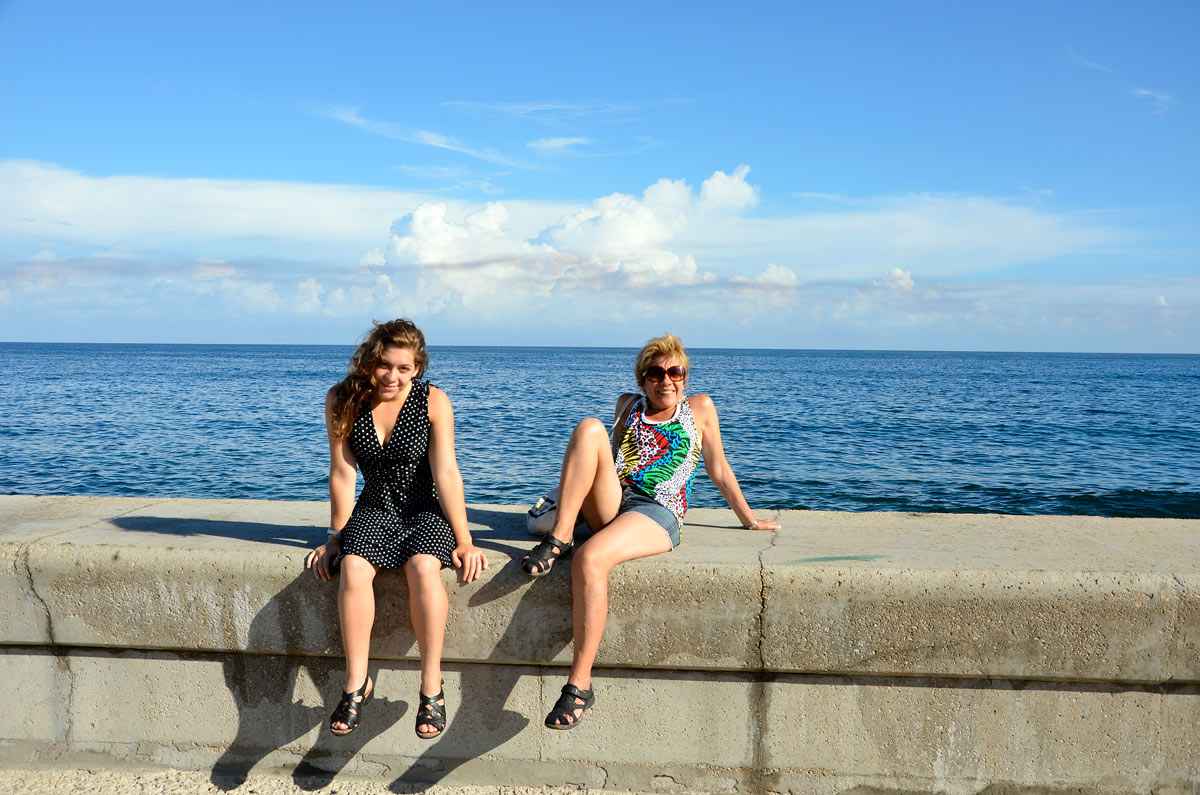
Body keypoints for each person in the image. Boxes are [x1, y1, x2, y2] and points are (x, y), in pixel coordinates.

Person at [521, 333, 781, 729]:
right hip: (614, 500)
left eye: (675, 372)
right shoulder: (627, 405)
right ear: (643, 380)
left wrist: (750, 520)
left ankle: (579, 684)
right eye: (656, 373)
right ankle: (559, 536)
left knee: (591, 560)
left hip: (658, 511)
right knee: (589, 427)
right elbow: (600, 463)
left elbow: (719, 470)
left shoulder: (700, 409)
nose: (666, 380)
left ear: (685, 377)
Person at [306, 319, 487, 740]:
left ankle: (432, 687)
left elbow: (446, 471)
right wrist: (335, 537)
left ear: (417, 368)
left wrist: (464, 539)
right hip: (374, 507)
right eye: (385, 365)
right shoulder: (342, 398)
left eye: (404, 368)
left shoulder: (433, 401)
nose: (392, 376)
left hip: (425, 509)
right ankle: (356, 684)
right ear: (370, 361)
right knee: (351, 567)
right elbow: (342, 473)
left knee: (424, 567)